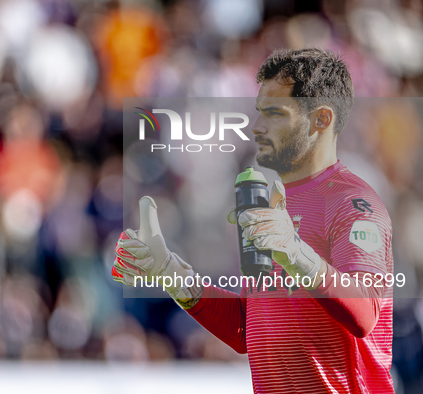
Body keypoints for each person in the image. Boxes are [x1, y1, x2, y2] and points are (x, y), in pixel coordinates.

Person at [112, 48, 394, 393]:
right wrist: (171, 273)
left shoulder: (353, 203)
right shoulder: (272, 199)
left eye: (275, 113)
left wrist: (295, 253)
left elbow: (365, 314)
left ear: (321, 119)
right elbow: (249, 330)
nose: (258, 126)